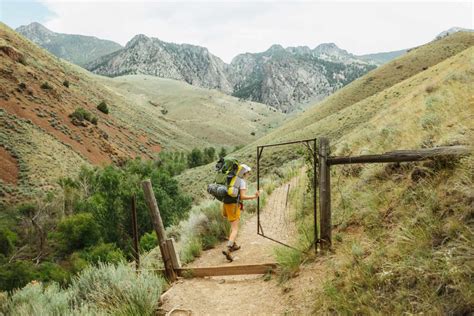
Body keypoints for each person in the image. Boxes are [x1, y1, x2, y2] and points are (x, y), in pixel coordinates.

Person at [222, 163, 260, 262]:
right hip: (234, 206)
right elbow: (242, 197)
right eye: (248, 172)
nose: (249, 174)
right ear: (244, 173)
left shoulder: (231, 178)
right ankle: (228, 249)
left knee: (232, 225)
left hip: (226, 204)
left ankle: (233, 245)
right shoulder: (241, 182)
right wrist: (254, 197)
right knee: (235, 229)